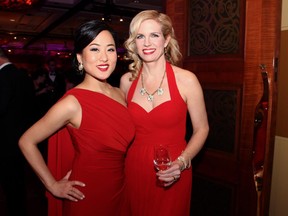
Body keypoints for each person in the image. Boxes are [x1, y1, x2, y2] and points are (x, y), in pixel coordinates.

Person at [19, 20, 135, 216]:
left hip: (121, 187)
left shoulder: (120, 93)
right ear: (80, 57)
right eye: (95, 49)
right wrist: (52, 185)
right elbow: (26, 141)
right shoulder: (73, 103)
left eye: (110, 49)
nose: (104, 57)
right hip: (88, 192)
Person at [120, 10, 209, 216]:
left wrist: (182, 162)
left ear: (166, 39)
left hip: (174, 169)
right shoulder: (127, 82)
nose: (147, 43)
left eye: (154, 35)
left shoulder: (187, 80)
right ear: (134, 43)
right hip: (134, 168)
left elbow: (202, 128)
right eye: (140, 36)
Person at [0, 48, 35, 216]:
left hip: (6, 139)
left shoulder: (3, 77)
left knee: (9, 179)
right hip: (23, 136)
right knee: (19, 177)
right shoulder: (23, 76)